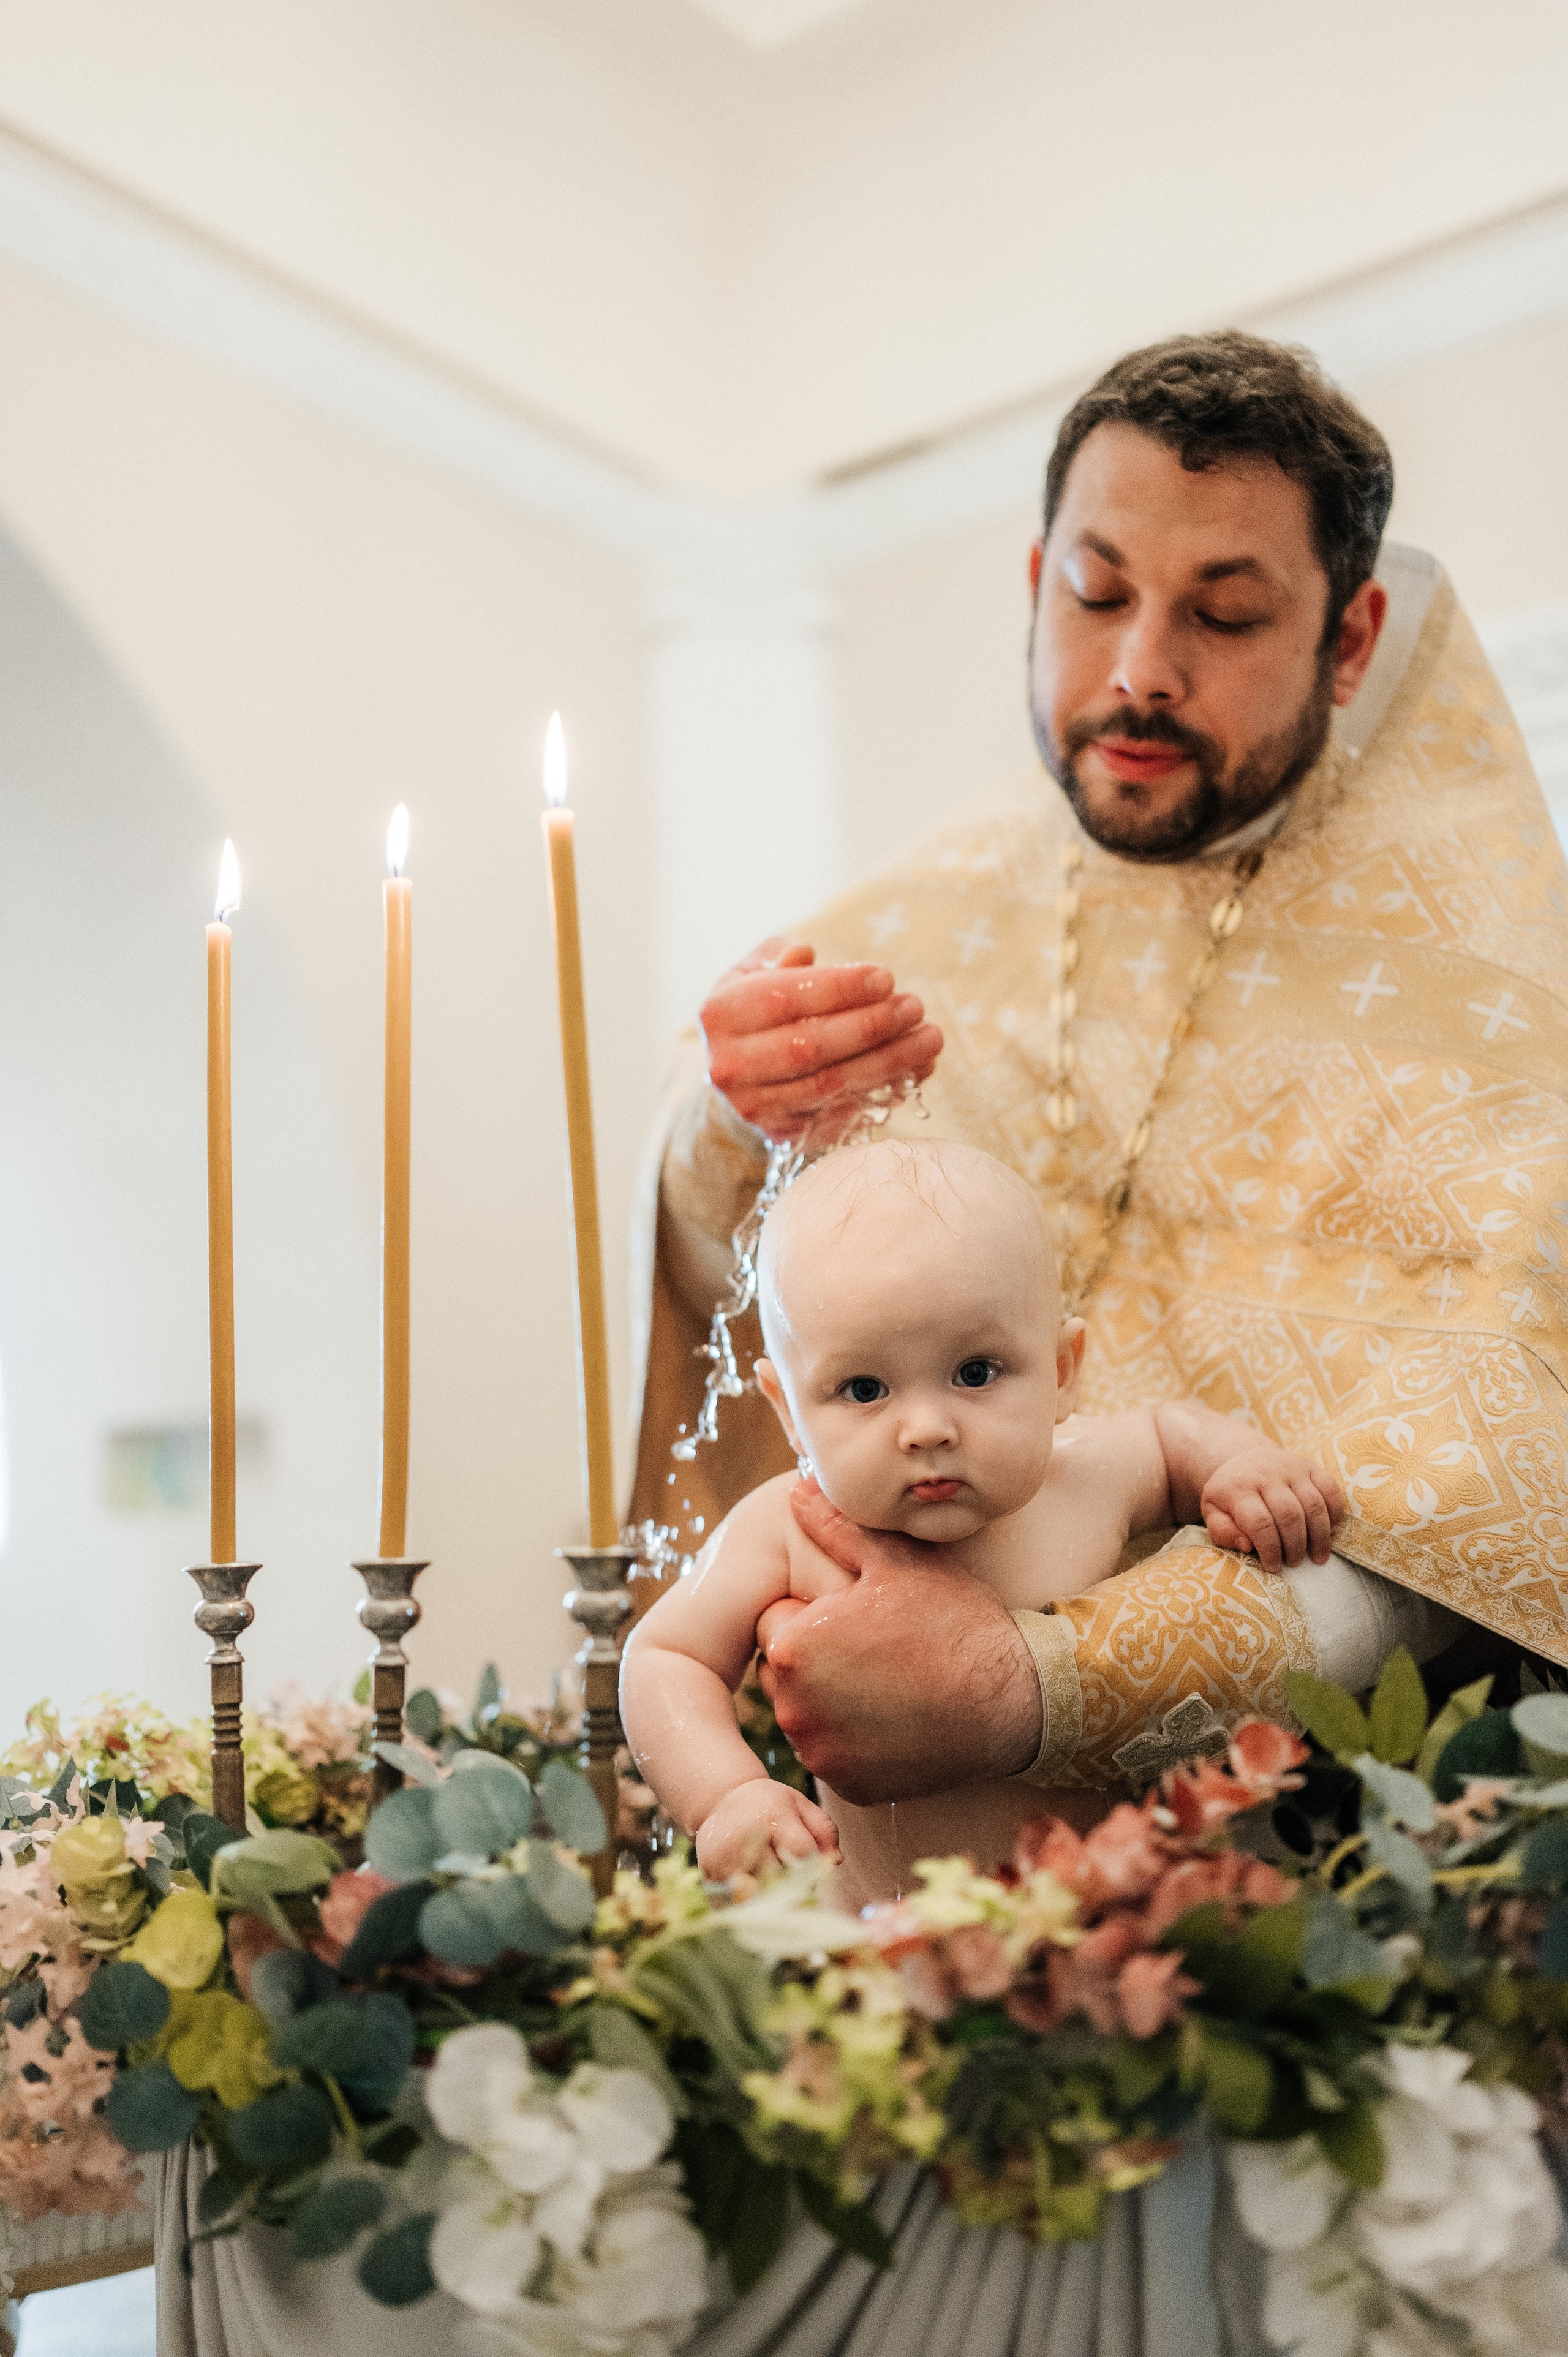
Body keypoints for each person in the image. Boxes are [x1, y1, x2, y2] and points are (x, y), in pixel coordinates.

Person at [631, 331, 1568, 1836]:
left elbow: (1468, 1523)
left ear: (1344, 635)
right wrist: (731, 1124)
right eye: (1095, 592)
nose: (1137, 668)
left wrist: (1036, 1678)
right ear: (1033, 581)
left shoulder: (1495, 992)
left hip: (1296, 1858)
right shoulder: (919, 920)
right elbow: (734, 1300)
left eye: (1224, 611)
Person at [622, 1137, 1344, 1905]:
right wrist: (726, 1794)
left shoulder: (1090, 1474)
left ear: (1062, 1371)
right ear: (788, 1412)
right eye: (864, 1388)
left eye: (975, 1372)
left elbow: (1173, 1433)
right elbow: (665, 1655)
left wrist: (1240, 1466)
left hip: (1104, 1919)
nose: (927, 1427)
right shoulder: (788, 1525)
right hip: (888, 1937)